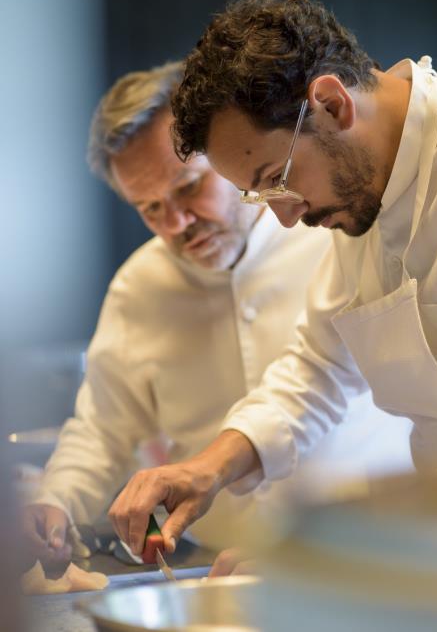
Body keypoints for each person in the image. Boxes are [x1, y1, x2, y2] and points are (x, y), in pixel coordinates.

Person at [108, 0, 437, 556]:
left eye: (275, 177)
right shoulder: (361, 198)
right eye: (258, 195)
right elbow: (319, 365)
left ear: (331, 103)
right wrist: (208, 468)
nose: (284, 218)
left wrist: (344, 548)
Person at [24, 61, 411, 565]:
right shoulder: (137, 290)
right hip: (209, 567)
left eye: (188, 188)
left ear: (231, 157)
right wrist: (55, 499)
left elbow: (318, 382)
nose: (178, 223)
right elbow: (101, 429)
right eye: (151, 208)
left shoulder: (333, 233)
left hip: (367, 552)